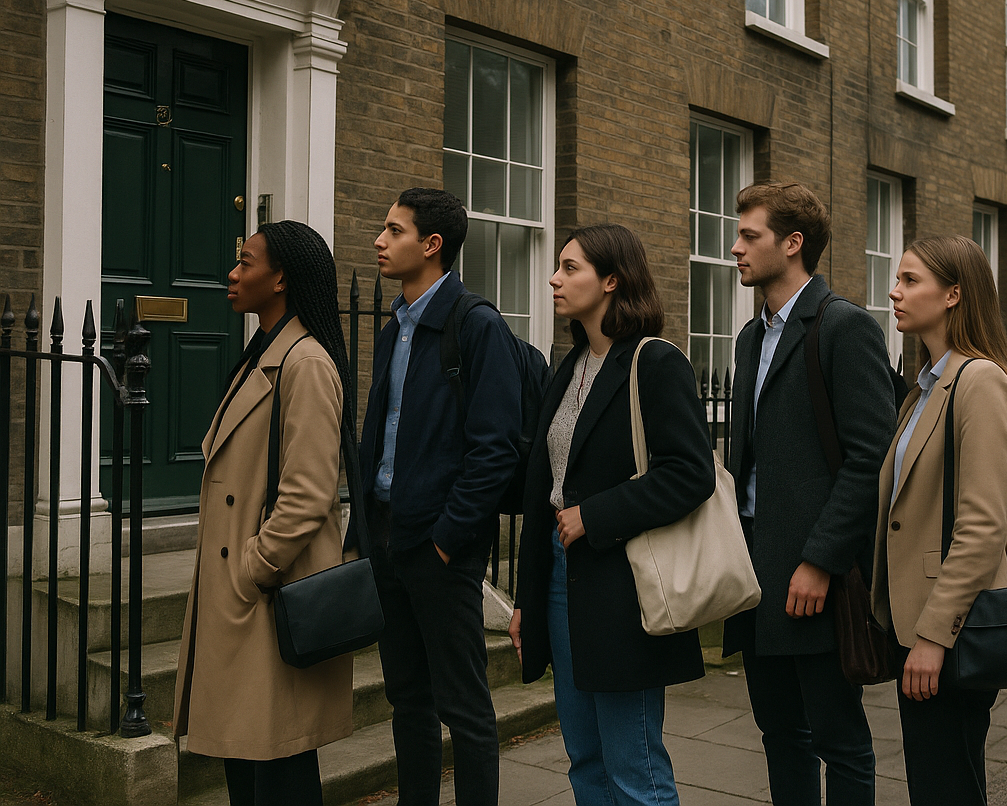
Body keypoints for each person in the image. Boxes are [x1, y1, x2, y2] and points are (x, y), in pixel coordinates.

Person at [509, 224, 716, 806]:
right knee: (586, 762)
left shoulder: (654, 363)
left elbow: (690, 472)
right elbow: (540, 489)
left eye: (570, 268)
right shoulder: (570, 365)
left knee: (635, 771)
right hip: (560, 579)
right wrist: (527, 597)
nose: (554, 278)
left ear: (611, 280)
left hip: (625, 585)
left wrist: (592, 516)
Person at [722, 182, 896, 806]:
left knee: (839, 740)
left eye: (749, 236)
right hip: (756, 571)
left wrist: (820, 560)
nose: (734, 247)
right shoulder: (749, 339)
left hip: (814, 575)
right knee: (778, 734)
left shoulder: (844, 327)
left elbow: (870, 459)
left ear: (793, 244)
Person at [173, 220, 357, 806]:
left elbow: (308, 493)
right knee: (248, 767)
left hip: (267, 596)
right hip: (243, 601)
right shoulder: (264, 355)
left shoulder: (304, 363)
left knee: (278, 774)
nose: (232, 273)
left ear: (279, 279)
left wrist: (253, 566)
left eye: (246, 262)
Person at [358, 188, 522, 806]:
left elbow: (495, 449)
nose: (379, 240)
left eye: (393, 230)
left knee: (464, 707)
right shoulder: (393, 325)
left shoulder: (475, 324)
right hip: (388, 538)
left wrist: (449, 540)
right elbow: (380, 436)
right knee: (407, 698)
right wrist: (368, 530)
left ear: (431, 246)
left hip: (439, 548)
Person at [871, 235, 1007, 805]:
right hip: (918, 627)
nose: (895, 290)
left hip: (950, 630)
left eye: (911, 280)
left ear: (953, 294)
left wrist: (933, 636)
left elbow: (983, 526)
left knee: (947, 787)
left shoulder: (980, 382)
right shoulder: (925, 389)